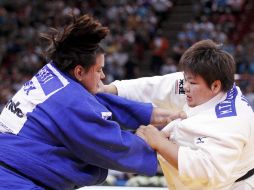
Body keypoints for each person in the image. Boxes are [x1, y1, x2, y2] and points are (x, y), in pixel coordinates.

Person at [0, 14, 183, 190]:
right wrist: (157, 144)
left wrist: (154, 114)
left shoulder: (54, 75)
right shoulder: (69, 101)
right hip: (14, 180)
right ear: (79, 72)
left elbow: (95, 100)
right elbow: (113, 147)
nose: (103, 76)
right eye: (99, 70)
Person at [103, 39, 254, 190]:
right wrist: (112, 89)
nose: (185, 87)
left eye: (192, 83)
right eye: (185, 79)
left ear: (215, 85)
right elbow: (155, 87)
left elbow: (205, 172)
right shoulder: (206, 82)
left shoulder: (231, 121)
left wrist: (159, 142)